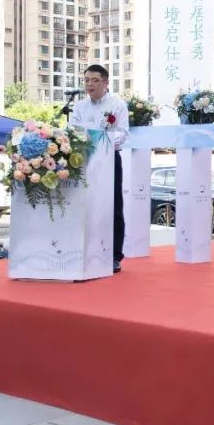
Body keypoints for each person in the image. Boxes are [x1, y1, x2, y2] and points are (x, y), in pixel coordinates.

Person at [68, 64, 129, 273]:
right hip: (83, 160)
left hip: (109, 159)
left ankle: (114, 255)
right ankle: (84, 251)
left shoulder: (117, 105)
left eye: (95, 80)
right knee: (85, 205)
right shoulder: (79, 107)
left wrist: (101, 140)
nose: (89, 84)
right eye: (86, 80)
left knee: (113, 206)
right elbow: (73, 130)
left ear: (105, 83)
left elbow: (122, 133)